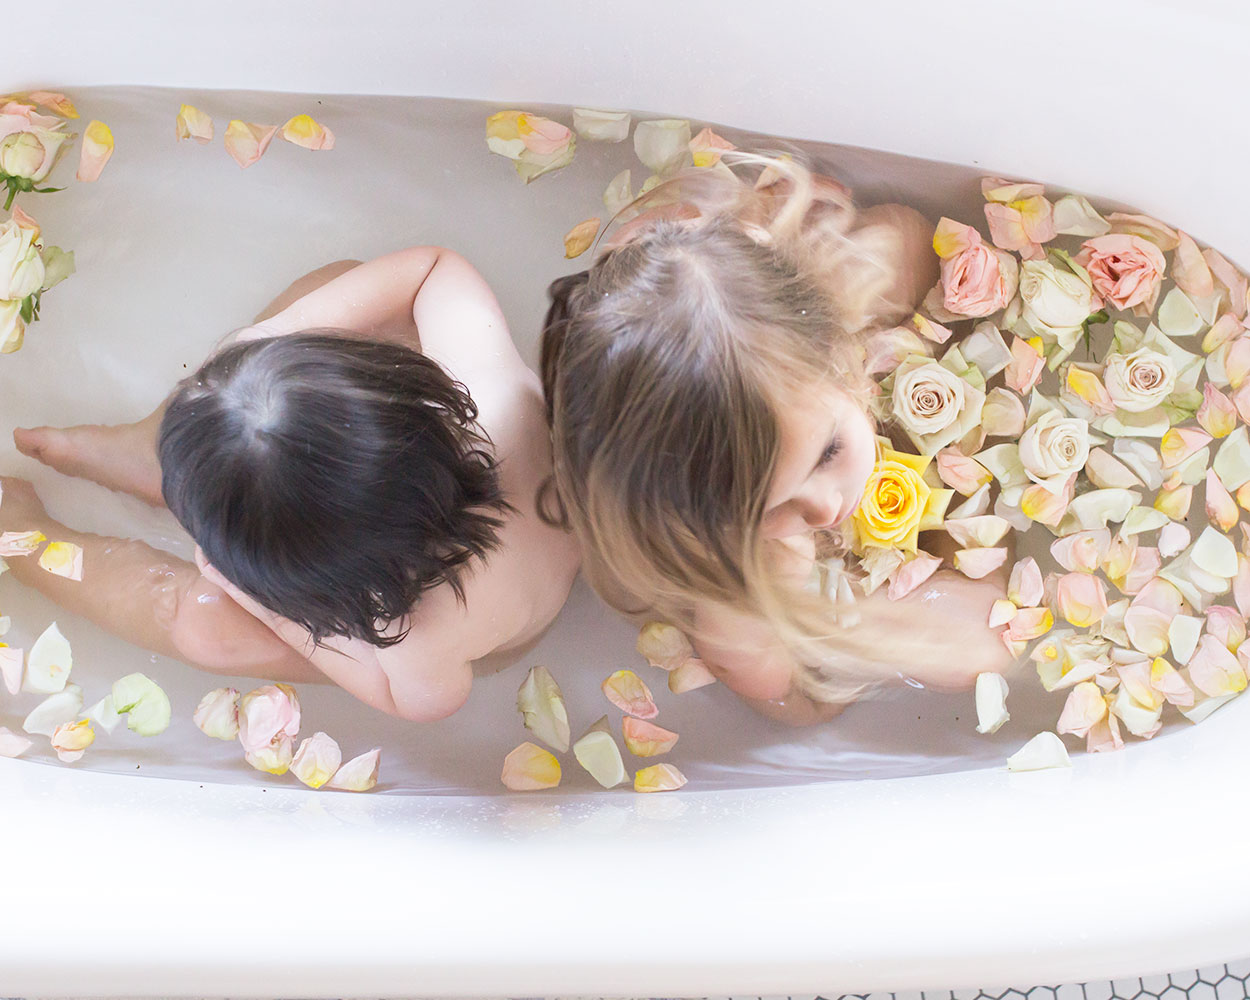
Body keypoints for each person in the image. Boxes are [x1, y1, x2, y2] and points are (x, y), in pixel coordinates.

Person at [3, 248, 581, 721]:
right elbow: (434, 271)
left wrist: (272, 614)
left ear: (316, 599)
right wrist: (266, 339)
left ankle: (25, 537)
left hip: (452, 632)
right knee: (315, 315)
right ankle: (146, 453)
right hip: (403, 549)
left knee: (207, 624)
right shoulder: (492, 396)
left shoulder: (417, 634)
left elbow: (426, 701)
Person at [538, 157, 1012, 726]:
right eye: (766, 509)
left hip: (731, 295)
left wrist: (927, 323)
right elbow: (798, 704)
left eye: (829, 451)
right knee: (989, 643)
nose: (826, 507)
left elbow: (913, 233)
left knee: (893, 255)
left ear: (835, 347)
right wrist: (839, 614)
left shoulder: (827, 302)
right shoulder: (732, 581)